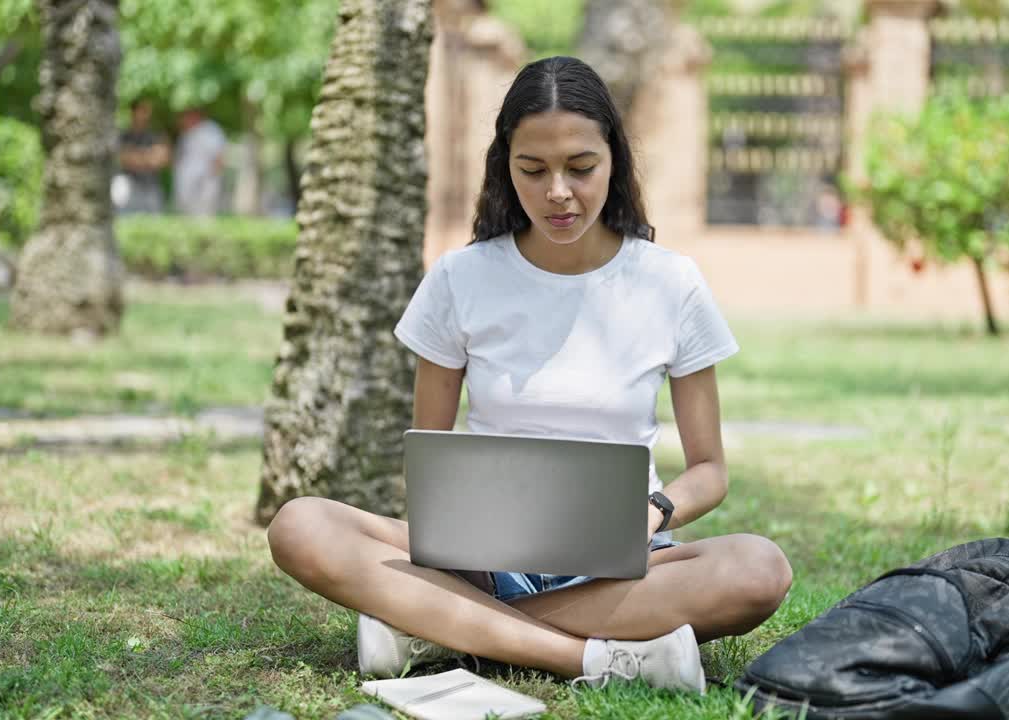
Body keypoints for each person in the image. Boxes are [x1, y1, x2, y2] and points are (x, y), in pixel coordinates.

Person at [265, 56, 793, 695]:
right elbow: (430, 460)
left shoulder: (670, 283)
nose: (559, 193)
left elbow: (710, 470)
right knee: (300, 524)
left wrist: (652, 513)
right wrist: (462, 549)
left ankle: (436, 626)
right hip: (480, 561)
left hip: (624, 565)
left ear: (614, 160)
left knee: (760, 570)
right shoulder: (460, 279)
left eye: (581, 167)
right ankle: (592, 660)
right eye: (533, 170)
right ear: (504, 166)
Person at [115, 99, 170, 214]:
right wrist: (149, 155)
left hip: (151, 185)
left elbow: (163, 159)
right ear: (133, 112)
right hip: (128, 185)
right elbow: (122, 158)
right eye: (142, 110)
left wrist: (136, 155)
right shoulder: (124, 135)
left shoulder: (156, 134)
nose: (145, 115)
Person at [173, 108, 227, 216]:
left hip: (203, 184)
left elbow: (219, 157)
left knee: (203, 216)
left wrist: (209, 180)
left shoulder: (210, 131)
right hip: (187, 187)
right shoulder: (187, 133)